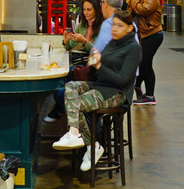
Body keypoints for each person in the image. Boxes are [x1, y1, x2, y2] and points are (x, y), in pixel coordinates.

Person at [52, 11, 142, 173]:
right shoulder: (113, 43)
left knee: (77, 103)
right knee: (70, 87)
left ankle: (89, 144)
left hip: (117, 92)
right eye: (113, 25)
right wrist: (93, 63)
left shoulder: (133, 48)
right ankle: (79, 136)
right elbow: (97, 70)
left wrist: (100, 66)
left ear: (130, 28)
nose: (114, 29)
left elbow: (123, 80)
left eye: (119, 26)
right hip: (100, 85)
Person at [127, 0, 163, 105]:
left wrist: (133, 0)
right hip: (144, 35)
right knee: (147, 65)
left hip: (153, 35)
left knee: (143, 64)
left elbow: (143, 10)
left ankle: (136, 86)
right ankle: (149, 96)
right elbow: (130, 14)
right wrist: (131, 1)